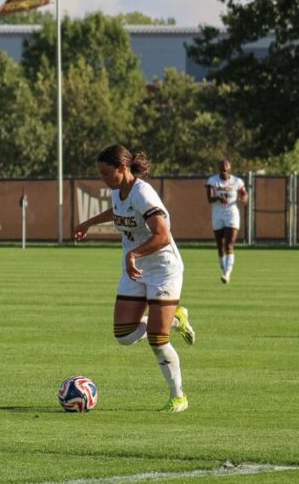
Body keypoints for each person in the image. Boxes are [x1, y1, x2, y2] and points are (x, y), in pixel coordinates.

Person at [74, 144, 196, 413]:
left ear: (122, 168)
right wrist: (88, 223)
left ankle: (179, 397)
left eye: (106, 173)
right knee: (124, 335)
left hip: (163, 269)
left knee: (157, 339)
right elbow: (117, 213)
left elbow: (162, 235)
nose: (102, 179)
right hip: (136, 268)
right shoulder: (118, 190)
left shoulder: (143, 193)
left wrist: (133, 255)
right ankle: (175, 318)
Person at [205, 158, 248, 283]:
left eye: (226, 168)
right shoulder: (212, 181)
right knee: (220, 246)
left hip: (231, 213)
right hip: (218, 214)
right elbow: (209, 198)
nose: (224, 170)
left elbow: (244, 193)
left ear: (230, 169)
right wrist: (218, 197)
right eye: (222, 168)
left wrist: (244, 198)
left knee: (229, 244)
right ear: (219, 169)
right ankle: (224, 271)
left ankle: (227, 274)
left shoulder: (237, 181)